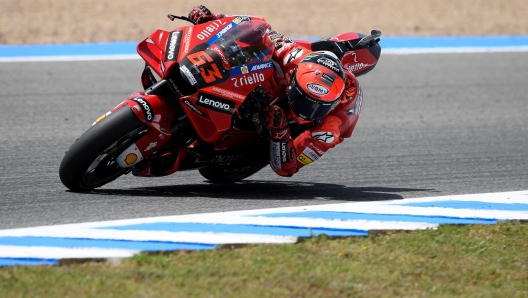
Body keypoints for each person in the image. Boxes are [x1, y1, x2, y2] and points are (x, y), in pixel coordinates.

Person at [188, 5, 363, 177]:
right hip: (292, 75)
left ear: (332, 104)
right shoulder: (290, 54)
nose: (305, 111)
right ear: (293, 78)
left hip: (304, 124)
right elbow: (254, 28)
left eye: (317, 107)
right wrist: (214, 19)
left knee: (272, 143)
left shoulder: (329, 129)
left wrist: (280, 131)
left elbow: (287, 168)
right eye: (303, 100)